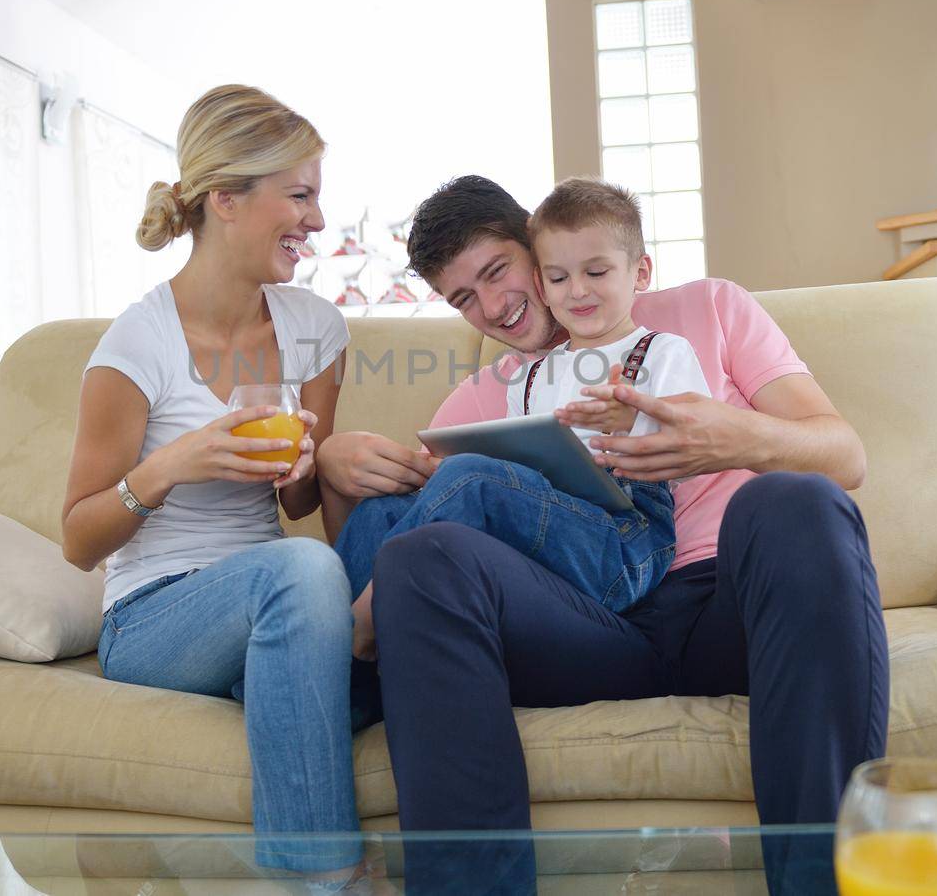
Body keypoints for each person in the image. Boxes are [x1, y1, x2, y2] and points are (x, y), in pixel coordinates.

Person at [317, 175, 888, 894]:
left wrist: (728, 437)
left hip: (730, 604)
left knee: (796, 502)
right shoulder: (485, 391)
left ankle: (825, 882)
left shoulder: (707, 311)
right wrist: (336, 470)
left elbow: (846, 456)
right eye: (464, 297)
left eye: (497, 272)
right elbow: (397, 547)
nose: (492, 306)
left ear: (536, 243)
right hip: (584, 624)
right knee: (425, 558)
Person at [60, 85, 375, 892]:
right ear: (226, 200)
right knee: (309, 573)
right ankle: (322, 880)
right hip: (154, 615)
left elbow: (297, 509)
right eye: (298, 196)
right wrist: (169, 467)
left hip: (271, 600)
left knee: (367, 624)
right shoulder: (137, 345)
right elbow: (79, 537)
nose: (314, 220)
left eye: (316, 196)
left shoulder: (315, 328)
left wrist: (309, 469)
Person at [333, 178, 711, 622]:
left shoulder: (663, 350)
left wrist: (634, 423)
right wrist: (433, 472)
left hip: (628, 541)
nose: (577, 290)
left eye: (495, 272)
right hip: (552, 544)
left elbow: (695, 442)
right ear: (545, 278)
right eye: (560, 278)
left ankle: (360, 621)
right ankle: (327, 645)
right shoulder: (531, 377)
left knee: (471, 477)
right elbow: (512, 481)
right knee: (382, 511)